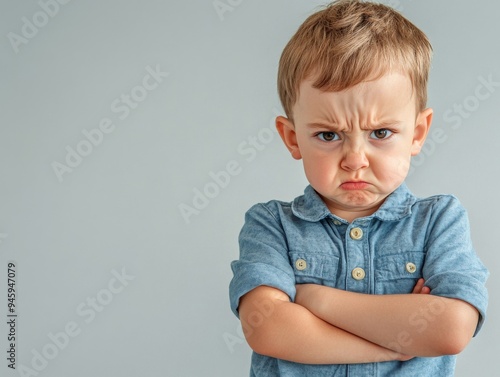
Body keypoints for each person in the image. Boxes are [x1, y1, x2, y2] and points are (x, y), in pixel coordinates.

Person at [229, 1, 489, 376]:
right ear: (292, 137)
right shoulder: (271, 225)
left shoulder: (438, 221)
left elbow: (450, 328)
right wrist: (397, 345)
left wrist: (313, 298)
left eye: (380, 133)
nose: (354, 158)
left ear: (417, 134)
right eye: (328, 135)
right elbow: (269, 329)